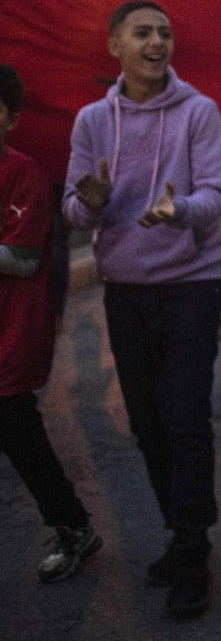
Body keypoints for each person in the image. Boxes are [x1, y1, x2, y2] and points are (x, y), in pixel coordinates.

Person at [63, 1, 221, 615]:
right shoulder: (90, 121)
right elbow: (74, 209)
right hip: (126, 290)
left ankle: (193, 548)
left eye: (164, 32)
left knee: (184, 416)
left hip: (191, 283)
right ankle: (180, 531)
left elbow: (217, 194)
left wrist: (178, 209)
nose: (157, 41)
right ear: (115, 46)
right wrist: (95, 203)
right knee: (148, 424)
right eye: (143, 32)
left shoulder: (198, 112)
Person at [0, 66, 103, 585]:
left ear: (12, 118)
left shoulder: (24, 174)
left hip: (10, 337)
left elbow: (20, 258)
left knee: (20, 438)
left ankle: (73, 526)